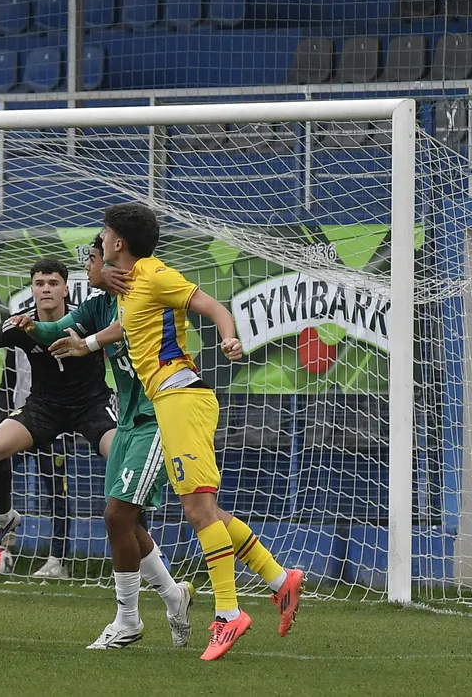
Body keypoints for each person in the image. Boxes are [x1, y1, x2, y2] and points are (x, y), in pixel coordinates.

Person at [57, 203, 304, 660]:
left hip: (180, 397)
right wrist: (86, 344)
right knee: (206, 510)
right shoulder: (131, 283)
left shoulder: (155, 275)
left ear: (118, 242)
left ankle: (228, 614)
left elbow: (212, 305)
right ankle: (279, 579)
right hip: (170, 401)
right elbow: (125, 326)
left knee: (197, 511)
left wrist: (229, 337)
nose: (100, 239)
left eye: (104, 233)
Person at [15, 235, 194, 649]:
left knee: (129, 514)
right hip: (128, 420)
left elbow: (122, 329)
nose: (88, 267)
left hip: (159, 416)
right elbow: (58, 328)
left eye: (92, 259)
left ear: (112, 262)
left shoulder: (142, 296)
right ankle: (174, 596)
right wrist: (34, 326)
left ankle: (129, 620)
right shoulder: (97, 305)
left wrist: (88, 344)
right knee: (122, 518)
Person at [0, 259, 117, 580]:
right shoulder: (22, 324)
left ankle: (147, 550)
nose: (46, 289)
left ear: (65, 289)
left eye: (53, 283)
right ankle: (4, 518)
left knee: (122, 459)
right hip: (44, 407)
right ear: (32, 289)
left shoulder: (87, 318)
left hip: (91, 406)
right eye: (40, 284)